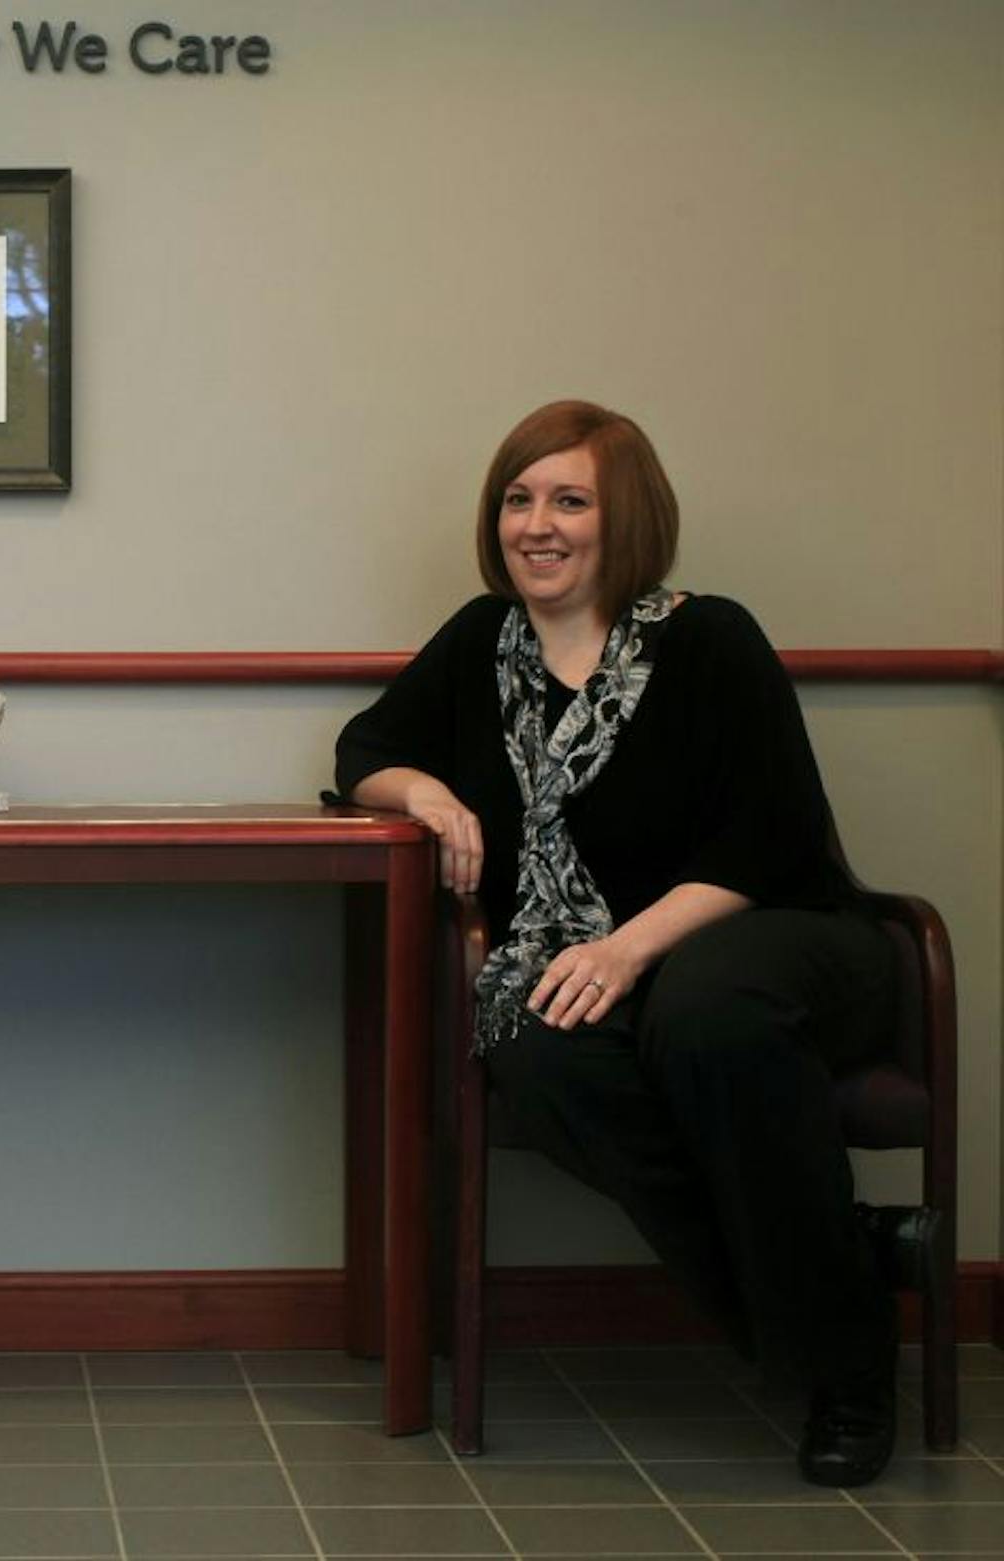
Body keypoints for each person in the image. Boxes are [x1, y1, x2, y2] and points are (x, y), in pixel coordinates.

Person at [334, 400, 903, 1486]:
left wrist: (629, 949)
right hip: (588, 966)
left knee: (704, 1014)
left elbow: (772, 838)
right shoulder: (481, 642)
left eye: (568, 499)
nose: (535, 524)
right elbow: (365, 744)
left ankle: (847, 1377)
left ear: (624, 516)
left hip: (767, 937)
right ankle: (850, 1285)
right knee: (536, 1054)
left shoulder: (708, 637)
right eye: (517, 498)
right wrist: (432, 795)